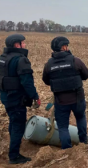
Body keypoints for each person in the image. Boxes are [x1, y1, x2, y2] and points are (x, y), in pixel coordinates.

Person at [42, 36, 88, 149]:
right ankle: (84, 142)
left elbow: (46, 80)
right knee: (80, 118)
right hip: (78, 99)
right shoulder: (75, 60)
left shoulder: (49, 64)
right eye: (66, 45)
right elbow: (86, 75)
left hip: (61, 101)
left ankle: (66, 149)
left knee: (63, 127)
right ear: (63, 47)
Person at [0, 34, 41, 164]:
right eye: (23, 43)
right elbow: (27, 82)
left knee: (13, 121)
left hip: (5, 97)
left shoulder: (3, 58)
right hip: (16, 98)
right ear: (17, 45)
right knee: (18, 124)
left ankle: (14, 145)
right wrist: (35, 96)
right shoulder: (21, 59)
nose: (25, 45)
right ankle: (14, 156)